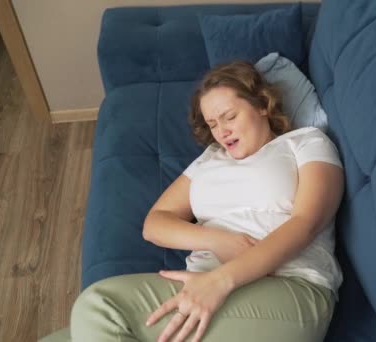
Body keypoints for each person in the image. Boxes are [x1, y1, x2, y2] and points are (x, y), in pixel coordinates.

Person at [69, 61, 345, 342]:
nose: (222, 132)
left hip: (290, 285)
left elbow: (305, 223)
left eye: (229, 116)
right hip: (204, 283)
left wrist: (221, 280)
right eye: (213, 124)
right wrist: (218, 241)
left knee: (99, 307)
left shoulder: (305, 142)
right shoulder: (210, 159)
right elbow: (155, 223)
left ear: (262, 104)